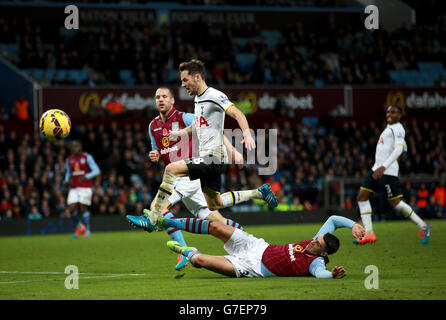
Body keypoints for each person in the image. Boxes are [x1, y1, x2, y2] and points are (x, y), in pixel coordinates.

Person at [128, 86, 277, 270]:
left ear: (172, 100)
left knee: (157, 208)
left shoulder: (184, 117)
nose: (160, 100)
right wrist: (155, 155)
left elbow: (214, 130)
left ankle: (182, 248)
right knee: (215, 216)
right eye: (158, 97)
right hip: (181, 177)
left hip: (188, 173)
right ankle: (251, 226)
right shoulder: (153, 126)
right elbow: (158, 150)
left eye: (164, 96)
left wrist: (233, 151)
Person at [141, 60, 277, 226]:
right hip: (208, 159)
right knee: (215, 204)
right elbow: (198, 125)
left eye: (185, 80)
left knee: (171, 169)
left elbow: (237, 113)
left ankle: (152, 218)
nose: (182, 84)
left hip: (214, 157)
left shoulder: (214, 95)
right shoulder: (199, 99)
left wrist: (246, 135)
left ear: (197, 77)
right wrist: (180, 133)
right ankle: (259, 193)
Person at [129, 213, 365, 279]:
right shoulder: (316, 243)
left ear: (323, 253)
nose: (313, 241)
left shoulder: (315, 263)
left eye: (317, 244)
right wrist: (353, 225)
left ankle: (187, 252)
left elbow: (321, 274)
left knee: (199, 261)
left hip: (252, 267)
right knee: (214, 225)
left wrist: (332, 276)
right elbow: (333, 220)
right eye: (316, 239)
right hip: (257, 246)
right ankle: (163, 221)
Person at [355, 105, 431, 245]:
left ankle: (424, 226)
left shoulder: (398, 128)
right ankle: (369, 233)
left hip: (387, 171)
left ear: (400, 115)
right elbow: (402, 146)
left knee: (395, 203)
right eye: (388, 111)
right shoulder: (390, 129)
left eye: (394, 112)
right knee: (362, 197)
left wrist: (384, 166)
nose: (389, 113)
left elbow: (400, 148)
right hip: (376, 169)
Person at [64, 140, 100, 238]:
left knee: (83, 208)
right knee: (71, 208)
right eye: (72, 147)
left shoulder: (87, 157)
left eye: (76, 147)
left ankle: (87, 229)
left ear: (80, 148)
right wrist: (66, 180)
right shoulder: (69, 159)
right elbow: (68, 172)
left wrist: (86, 176)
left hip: (85, 187)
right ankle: (80, 226)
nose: (74, 149)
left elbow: (96, 170)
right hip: (74, 187)